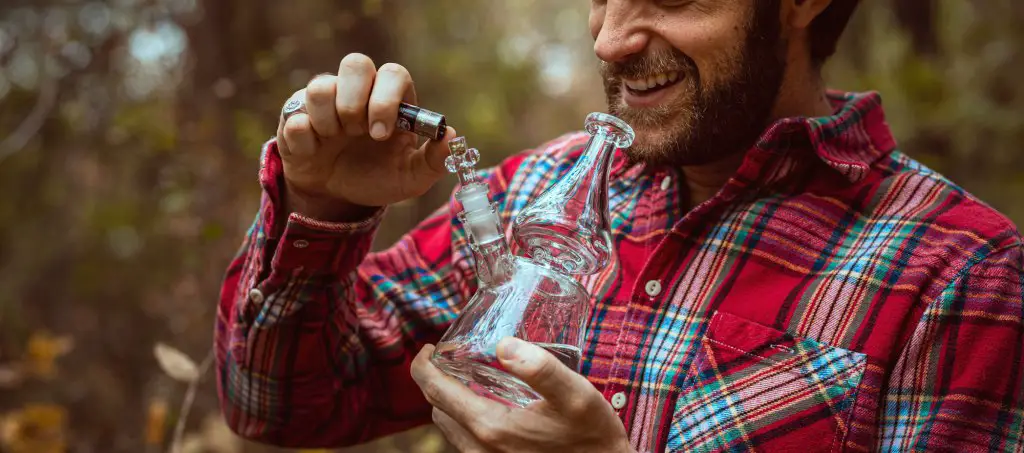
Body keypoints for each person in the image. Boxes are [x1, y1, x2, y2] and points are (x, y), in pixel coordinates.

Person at [213, 0, 1024, 451]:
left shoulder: (960, 272)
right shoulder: (541, 188)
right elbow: (278, 404)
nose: (610, 39)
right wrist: (323, 210)